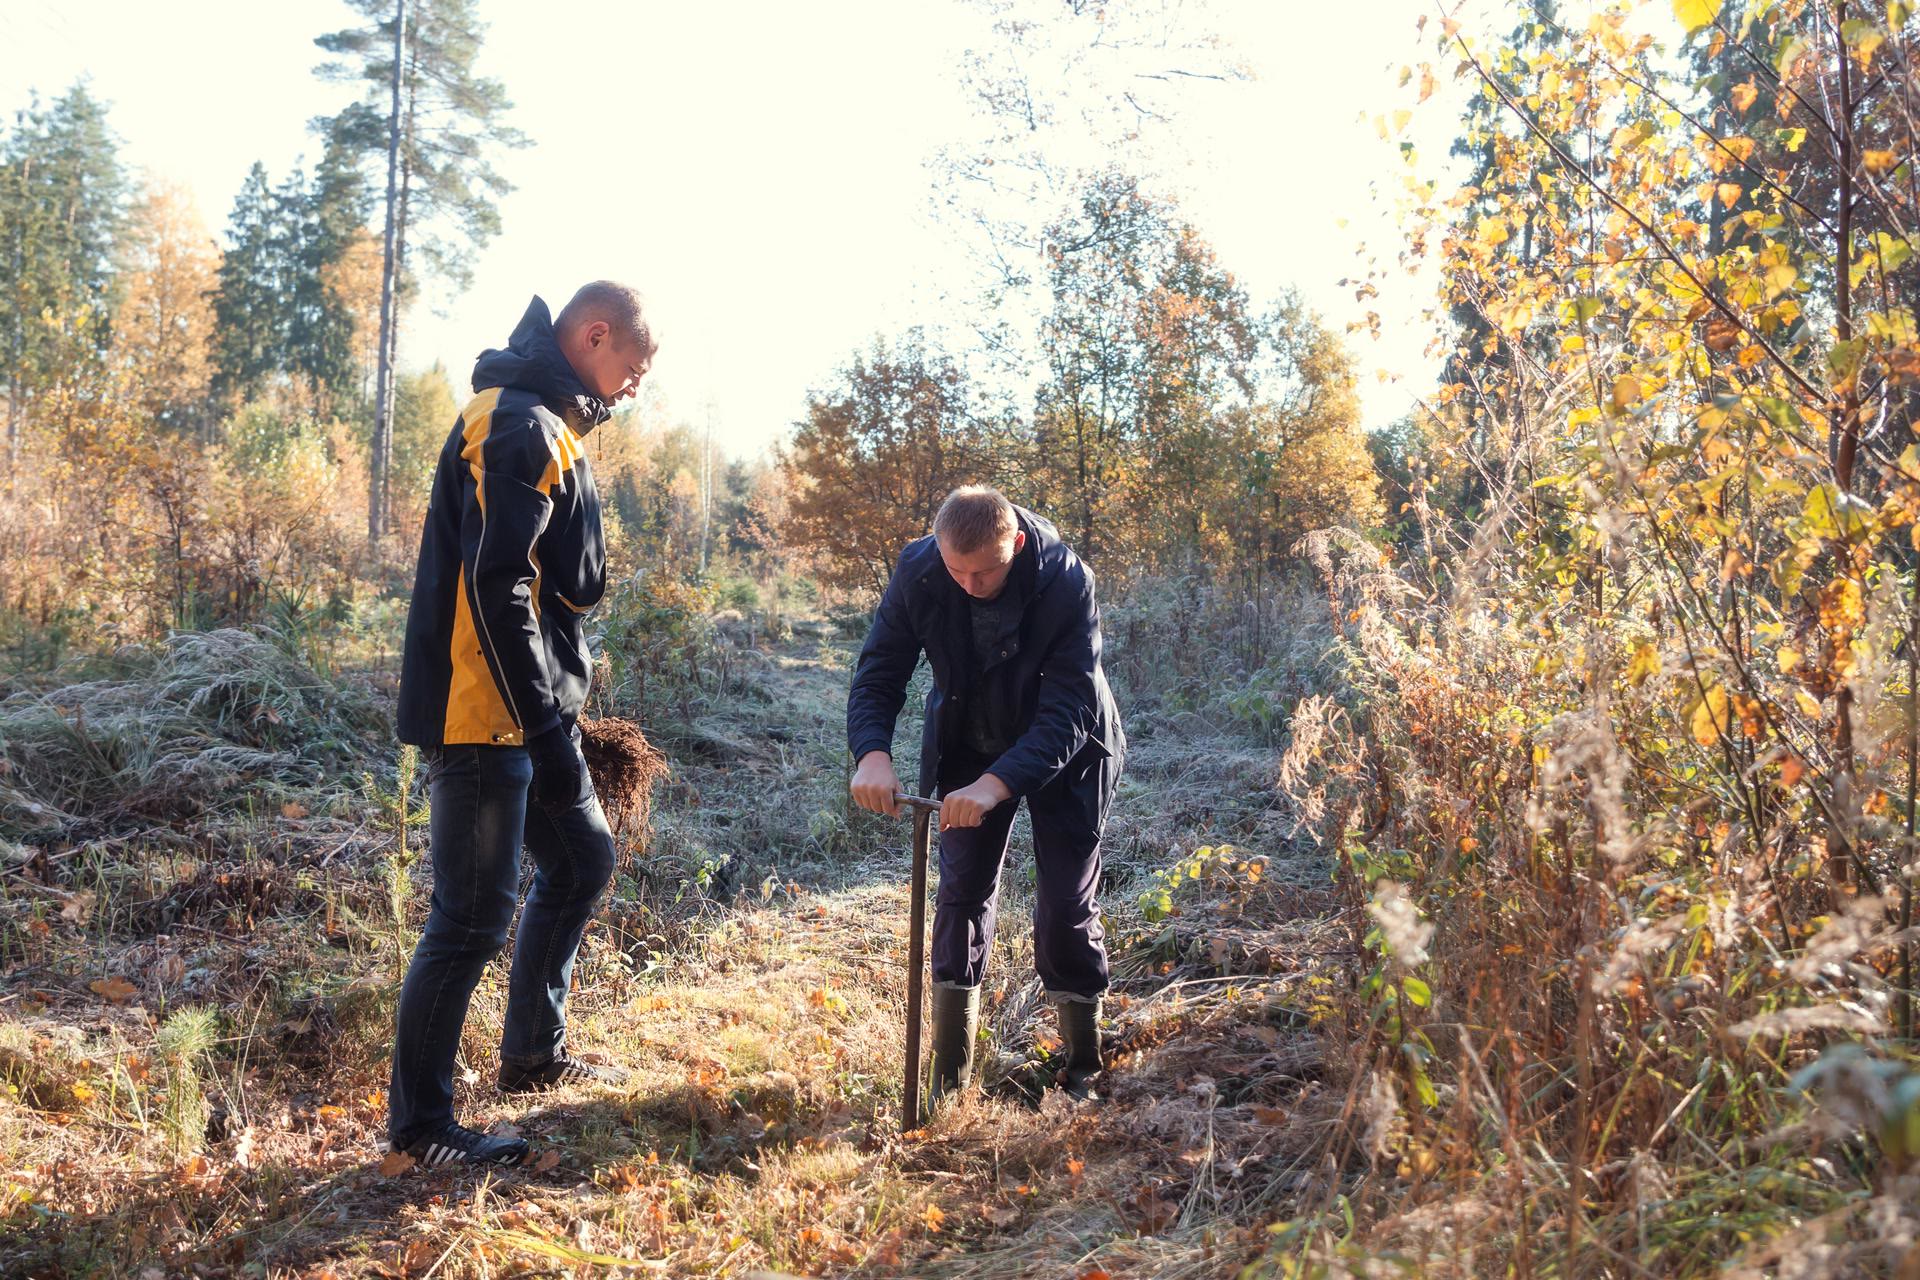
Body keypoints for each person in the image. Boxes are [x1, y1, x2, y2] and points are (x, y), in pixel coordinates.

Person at [388, 282, 657, 1167]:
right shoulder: (514, 423)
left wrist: (555, 713)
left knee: (582, 858)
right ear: (593, 334)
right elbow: (496, 585)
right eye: (632, 366)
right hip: (485, 715)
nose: (632, 386)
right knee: (470, 918)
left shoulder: (553, 423)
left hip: (532, 709)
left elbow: (553, 586)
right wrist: (545, 729)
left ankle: (532, 1055)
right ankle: (421, 1129)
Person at [847, 486, 1126, 1104]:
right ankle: (951, 1074)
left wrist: (995, 786)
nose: (971, 585)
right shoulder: (919, 570)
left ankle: (1082, 1063)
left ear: (1017, 545)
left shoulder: (1065, 580)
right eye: (957, 570)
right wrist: (872, 753)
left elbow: (1069, 708)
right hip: (969, 737)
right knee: (961, 892)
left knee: (1063, 904)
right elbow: (880, 670)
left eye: (987, 571)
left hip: (1072, 752)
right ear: (938, 550)